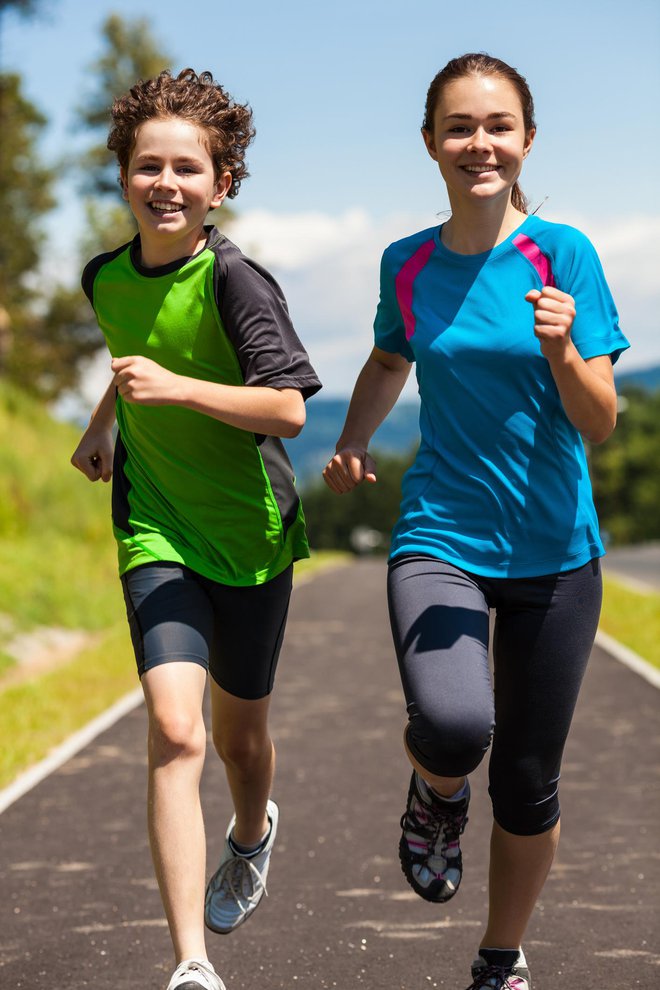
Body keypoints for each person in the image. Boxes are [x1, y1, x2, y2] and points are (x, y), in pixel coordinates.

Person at [323, 53, 628, 990]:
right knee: (455, 725)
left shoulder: (564, 252)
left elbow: (600, 419)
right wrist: (353, 440)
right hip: (440, 534)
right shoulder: (406, 262)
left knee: (528, 781)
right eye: (459, 127)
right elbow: (386, 359)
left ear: (527, 140)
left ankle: (501, 955)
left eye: (498, 126)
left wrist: (566, 347)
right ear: (430, 144)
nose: (479, 143)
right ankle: (435, 792)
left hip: (554, 550)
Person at [71, 68, 321, 990]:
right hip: (155, 526)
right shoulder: (105, 276)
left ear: (221, 184)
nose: (165, 183)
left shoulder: (238, 280)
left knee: (237, 739)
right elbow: (135, 357)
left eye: (187, 168)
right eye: (148, 166)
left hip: (250, 536)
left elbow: (288, 410)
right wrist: (105, 421)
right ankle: (190, 964)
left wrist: (176, 392)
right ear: (125, 176)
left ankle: (251, 832)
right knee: (176, 733)